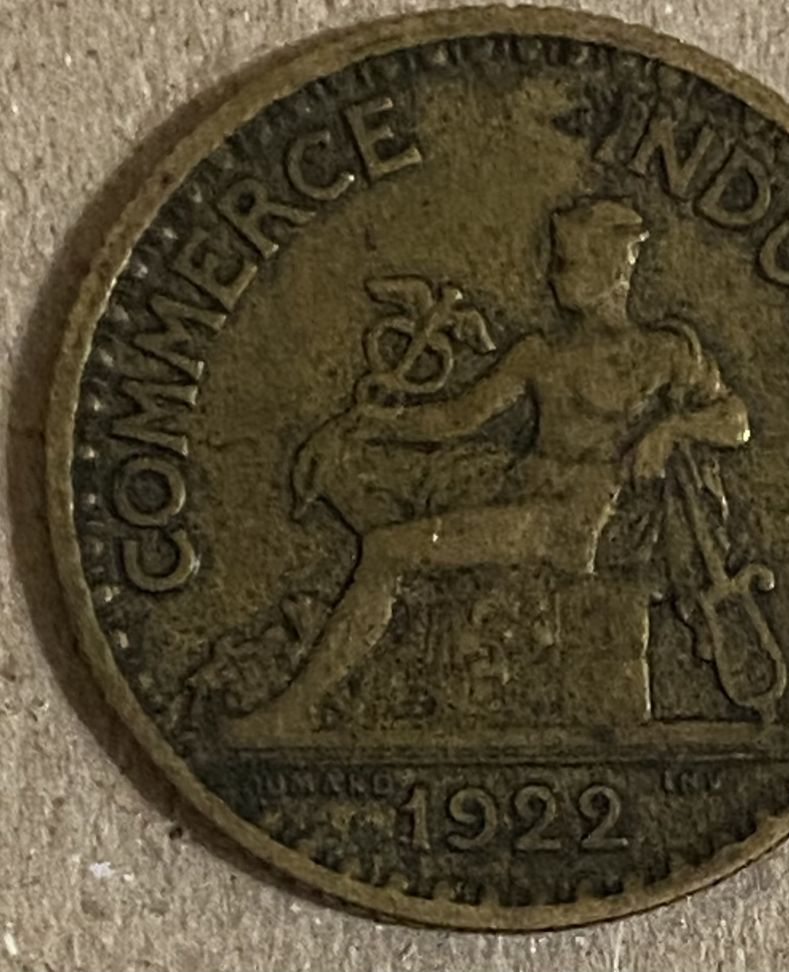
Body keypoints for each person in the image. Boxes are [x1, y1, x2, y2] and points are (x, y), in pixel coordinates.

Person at [230, 198, 749, 737]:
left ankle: (297, 709)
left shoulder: (666, 354)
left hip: (580, 520)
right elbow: (455, 419)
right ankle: (348, 687)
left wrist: (672, 429)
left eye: (566, 263)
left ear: (612, 267)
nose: (552, 276)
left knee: (388, 550)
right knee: (390, 507)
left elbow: (735, 422)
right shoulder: (538, 354)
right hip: (523, 493)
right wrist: (367, 422)